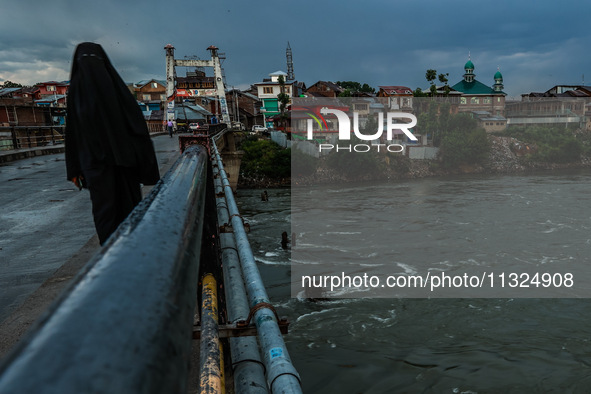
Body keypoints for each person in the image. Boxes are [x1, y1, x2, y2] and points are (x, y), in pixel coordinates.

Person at [66, 42, 160, 245]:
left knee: (106, 212)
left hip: (96, 165)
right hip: (123, 160)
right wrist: (148, 168)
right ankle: (127, 253)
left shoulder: (77, 90)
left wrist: (74, 169)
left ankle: (112, 258)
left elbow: (72, 133)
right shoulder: (116, 88)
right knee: (127, 209)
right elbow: (137, 128)